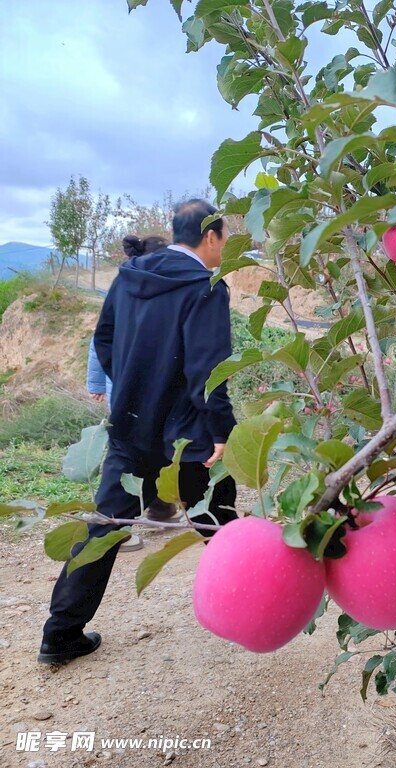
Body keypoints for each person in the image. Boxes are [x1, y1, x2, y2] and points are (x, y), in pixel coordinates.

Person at [39, 200, 238, 665]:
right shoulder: (206, 286)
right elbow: (208, 368)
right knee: (218, 518)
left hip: (130, 428)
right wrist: (221, 429)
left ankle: (60, 634)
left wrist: (129, 388)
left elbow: (103, 340)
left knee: (104, 529)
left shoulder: (130, 275)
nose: (224, 248)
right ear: (211, 236)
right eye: (224, 238)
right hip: (188, 435)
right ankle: (259, 603)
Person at [86, 235, 181, 551]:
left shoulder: (135, 294)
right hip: (130, 400)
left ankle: (161, 509)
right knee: (128, 461)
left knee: (156, 454)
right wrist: (100, 384)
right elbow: (99, 343)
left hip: (143, 399)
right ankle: (114, 528)